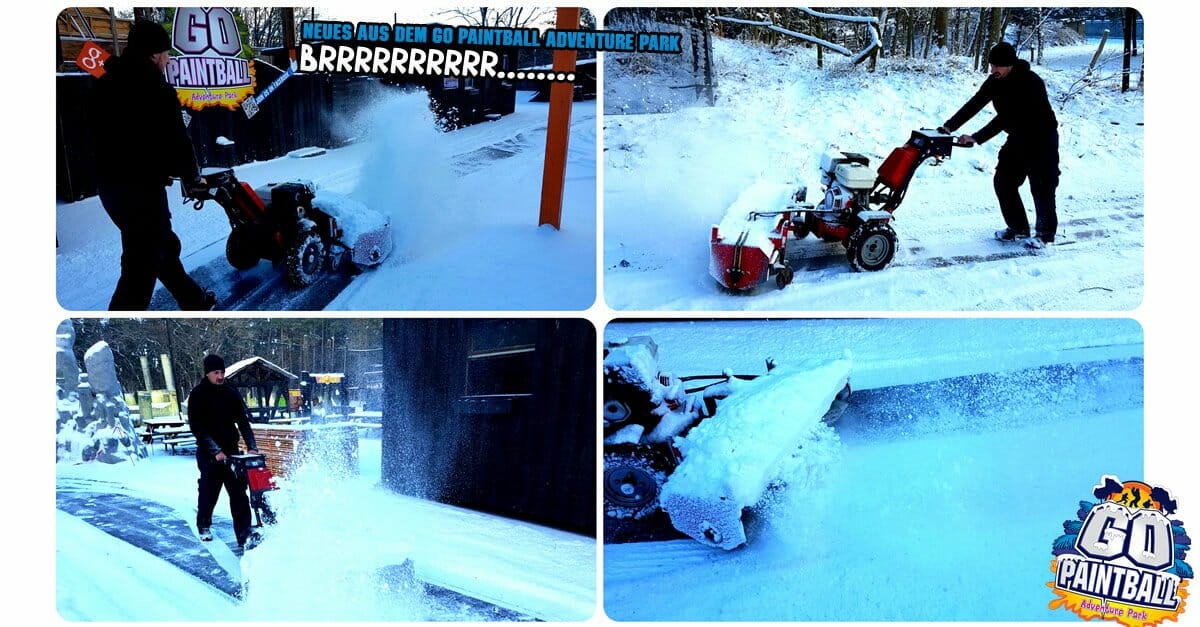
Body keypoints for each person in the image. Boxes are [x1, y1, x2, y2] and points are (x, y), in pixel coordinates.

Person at [89, 19, 216, 310]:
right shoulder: (157, 89)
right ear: (154, 53)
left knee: (161, 247)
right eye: (166, 53)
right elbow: (177, 140)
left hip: (110, 190)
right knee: (140, 267)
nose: (168, 59)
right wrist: (192, 177)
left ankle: (194, 301)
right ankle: (117, 325)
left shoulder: (103, 83)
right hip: (142, 191)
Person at [941, 41, 1060, 248]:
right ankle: (1018, 228)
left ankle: (1045, 235)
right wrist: (949, 126)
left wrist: (977, 137)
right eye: (991, 65)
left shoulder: (1030, 82)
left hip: (1041, 139)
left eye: (997, 66)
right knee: (1004, 181)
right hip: (1018, 138)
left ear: (1010, 64)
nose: (993, 69)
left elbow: (1007, 117)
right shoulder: (995, 81)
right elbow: (975, 103)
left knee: (1042, 187)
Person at [187, 354, 260, 549]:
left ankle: (244, 534)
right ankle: (204, 525)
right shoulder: (198, 395)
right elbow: (197, 427)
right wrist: (215, 450)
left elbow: (243, 422)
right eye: (216, 373)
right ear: (207, 373)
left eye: (222, 372)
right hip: (209, 454)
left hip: (232, 453)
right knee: (209, 492)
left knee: (239, 495)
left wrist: (252, 446)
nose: (220, 376)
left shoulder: (230, 393)